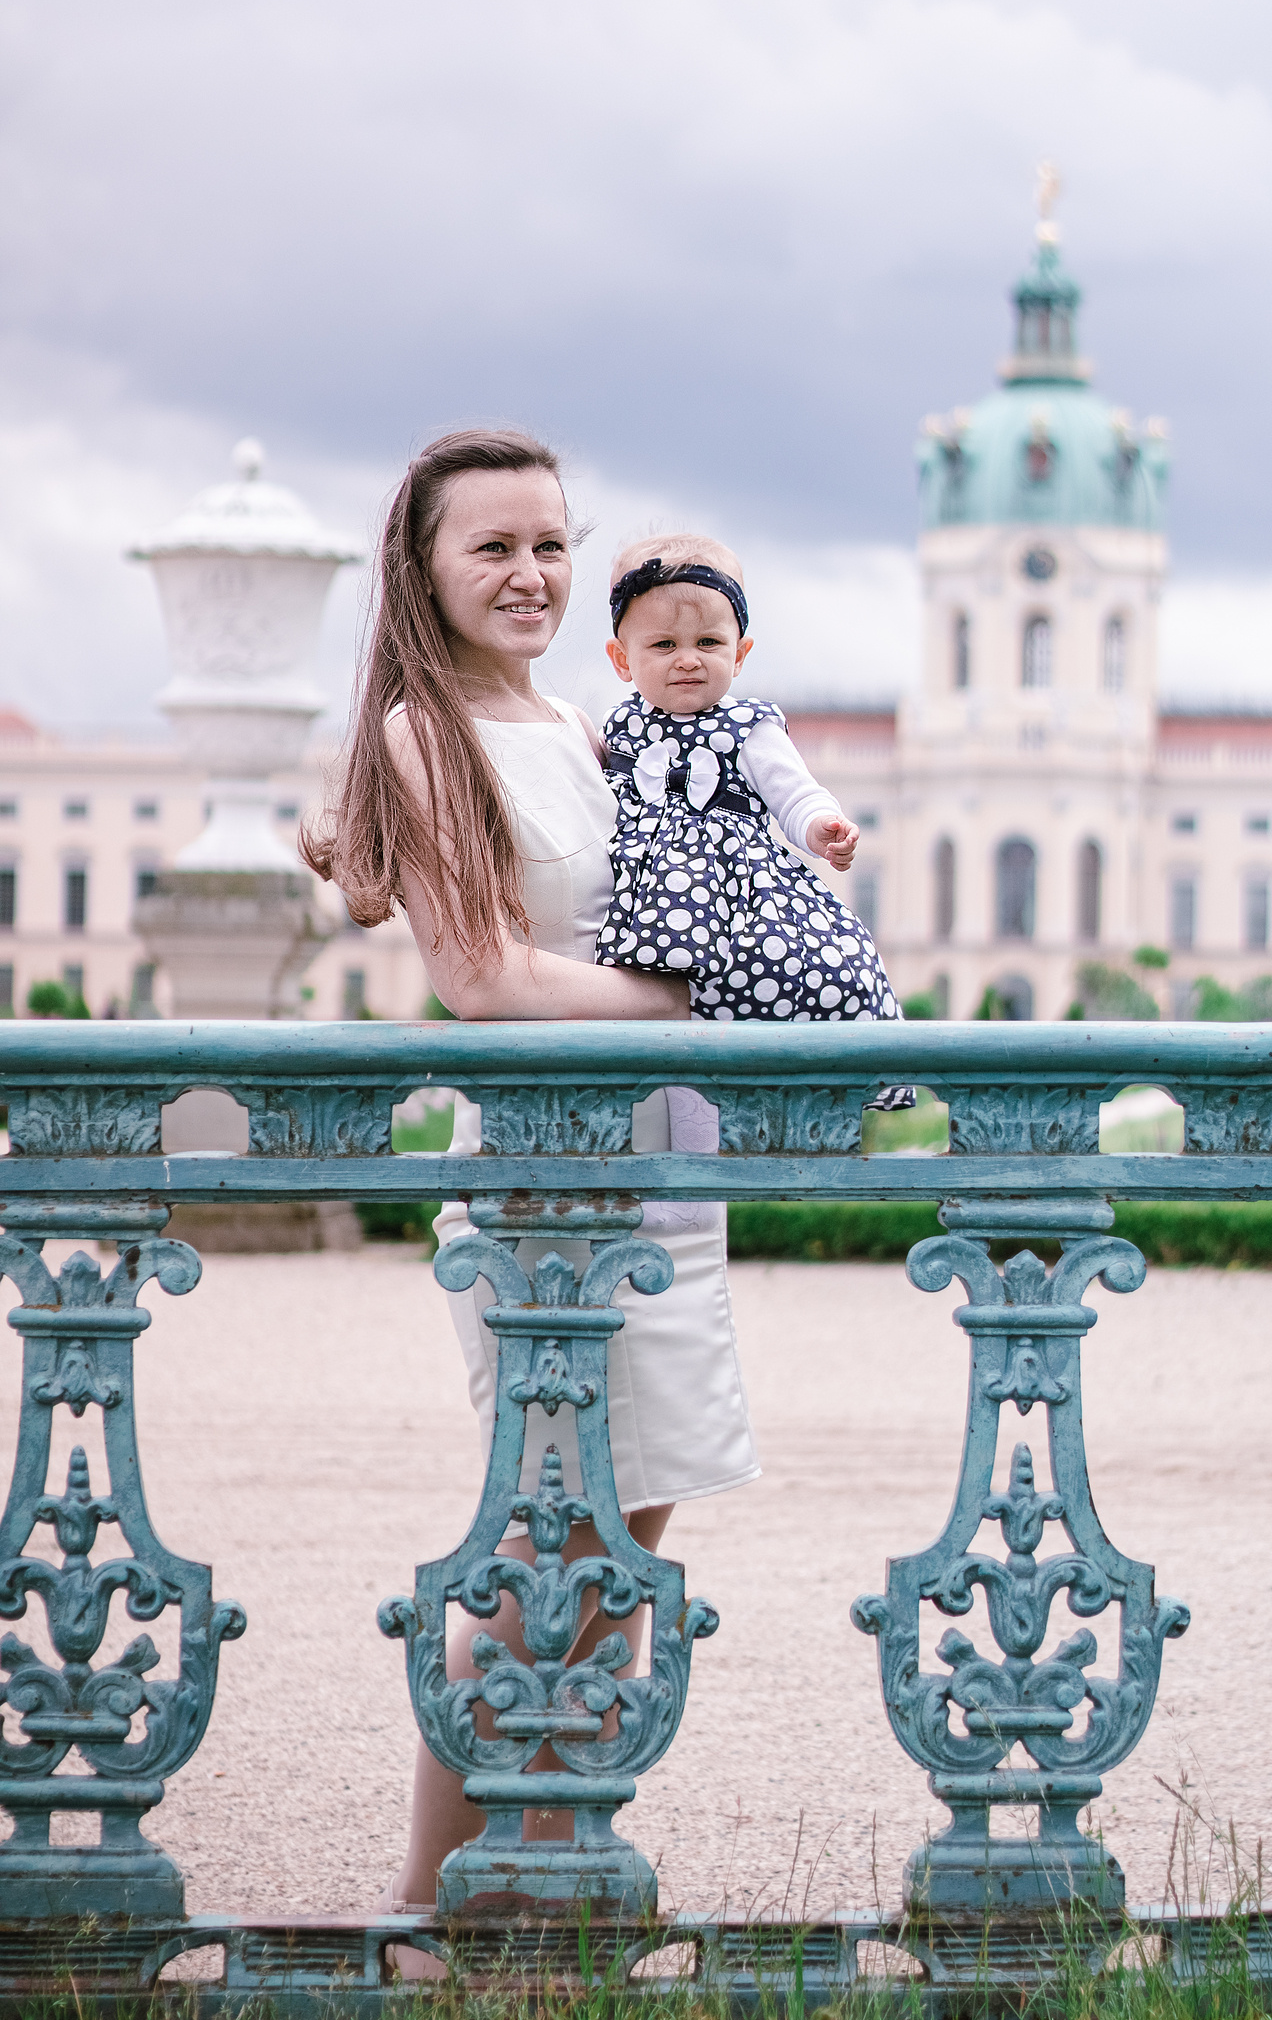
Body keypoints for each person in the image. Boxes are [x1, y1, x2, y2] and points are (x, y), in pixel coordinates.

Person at [304, 431, 759, 1927]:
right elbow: (483, 977)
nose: (529, 573)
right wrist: (697, 998)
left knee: (624, 1537)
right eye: (490, 547)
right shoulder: (421, 733)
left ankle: (543, 1865)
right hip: (543, 1191)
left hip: (659, 1179)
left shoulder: (575, 717)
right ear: (421, 568)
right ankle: (433, 1903)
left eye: (551, 544)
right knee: (534, 1552)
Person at [597, 533, 904, 1032]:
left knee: (778, 988)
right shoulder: (616, 728)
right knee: (657, 1018)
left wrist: (820, 825)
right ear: (622, 658)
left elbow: (793, 791)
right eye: (664, 644)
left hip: (739, 904)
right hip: (642, 910)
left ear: (740, 653)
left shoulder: (749, 726)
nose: (688, 658)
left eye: (709, 642)